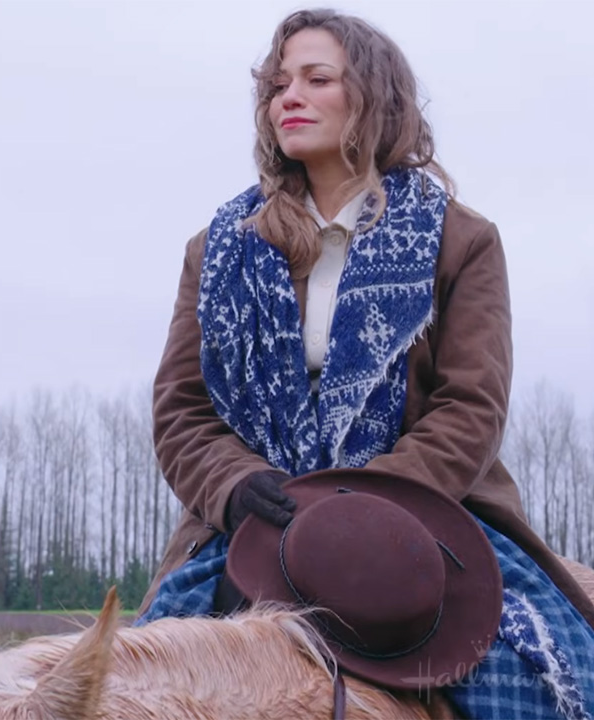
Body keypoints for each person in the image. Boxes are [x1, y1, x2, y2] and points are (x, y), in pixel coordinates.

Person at [135, 9, 594, 719]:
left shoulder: (461, 241)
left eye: (316, 78)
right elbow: (183, 409)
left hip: (429, 518)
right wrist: (235, 484)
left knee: (536, 686)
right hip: (255, 524)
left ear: (374, 98)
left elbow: (470, 408)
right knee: (136, 688)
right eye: (277, 83)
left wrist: (363, 504)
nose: (289, 95)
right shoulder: (217, 248)